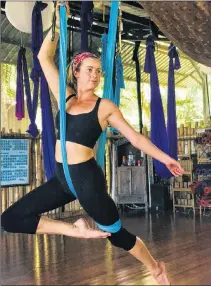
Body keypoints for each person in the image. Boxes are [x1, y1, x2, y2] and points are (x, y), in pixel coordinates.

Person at [1, 2, 183, 285]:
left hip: (87, 180)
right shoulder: (66, 96)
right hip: (62, 179)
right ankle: (75, 230)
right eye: (89, 70)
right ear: (76, 71)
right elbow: (43, 56)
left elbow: (134, 137)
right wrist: (58, 28)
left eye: (98, 71)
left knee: (116, 235)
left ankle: (156, 267)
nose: (95, 76)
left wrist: (164, 157)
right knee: (10, 219)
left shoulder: (104, 106)